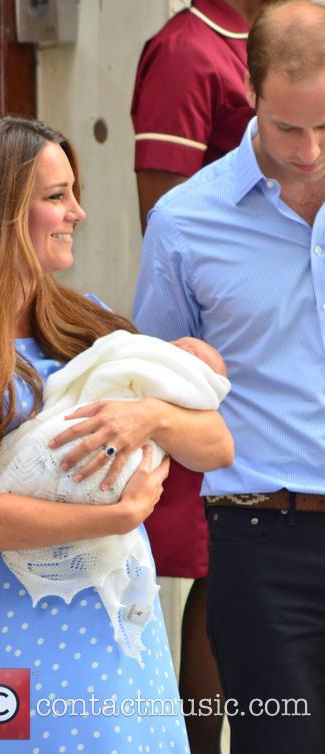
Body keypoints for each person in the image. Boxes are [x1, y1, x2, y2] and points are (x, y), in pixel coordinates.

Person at [0, 115, 233, 753]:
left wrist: (149, 417)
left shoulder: (84, 322)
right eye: (56, 196)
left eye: (73, 192)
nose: (78, 213)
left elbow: (217, 445)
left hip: (116, 628)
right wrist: (114, 518)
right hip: (2, 635)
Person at [133, 1, 325, 752]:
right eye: (288, 128)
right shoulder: (184, 224)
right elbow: (152, 384)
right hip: (259, 545)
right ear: (250, 92)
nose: (309, 150)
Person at [131, 3, 260, 751]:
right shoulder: (186, 49)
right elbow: (167, 224)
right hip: (218, 353)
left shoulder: (279, 36)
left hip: (277, 343)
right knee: (222, 557)